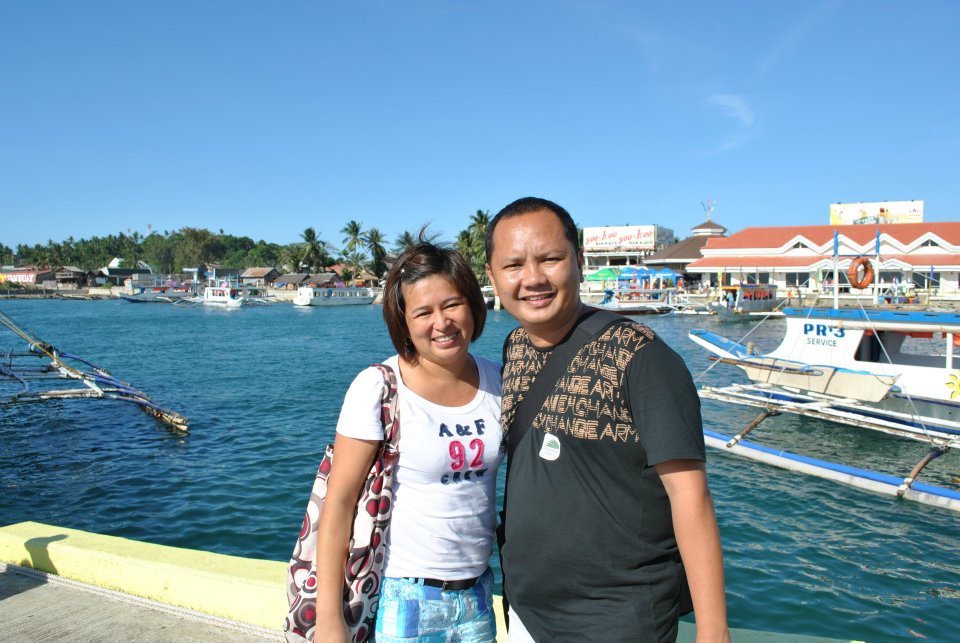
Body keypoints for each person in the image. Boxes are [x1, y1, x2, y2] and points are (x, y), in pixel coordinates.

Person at [485, 197, 731, 643]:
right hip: (526, 610)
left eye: (550, 259)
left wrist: (713, 632)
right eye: (514, 265)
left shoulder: (643, 357)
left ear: (579, 262)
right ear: (492, 276)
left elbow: (690, 496)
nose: (533, 278)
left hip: (617, 620)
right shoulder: (515, 347)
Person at [314, 241, 504, 643]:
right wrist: (330, 620)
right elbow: (339, 502)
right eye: (423, 312)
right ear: (404, 321)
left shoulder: (499, 381)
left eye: (452, 305)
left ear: (473, 305)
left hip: (478, 593)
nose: (442, 322)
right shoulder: (379, 387)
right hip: (406, 596)